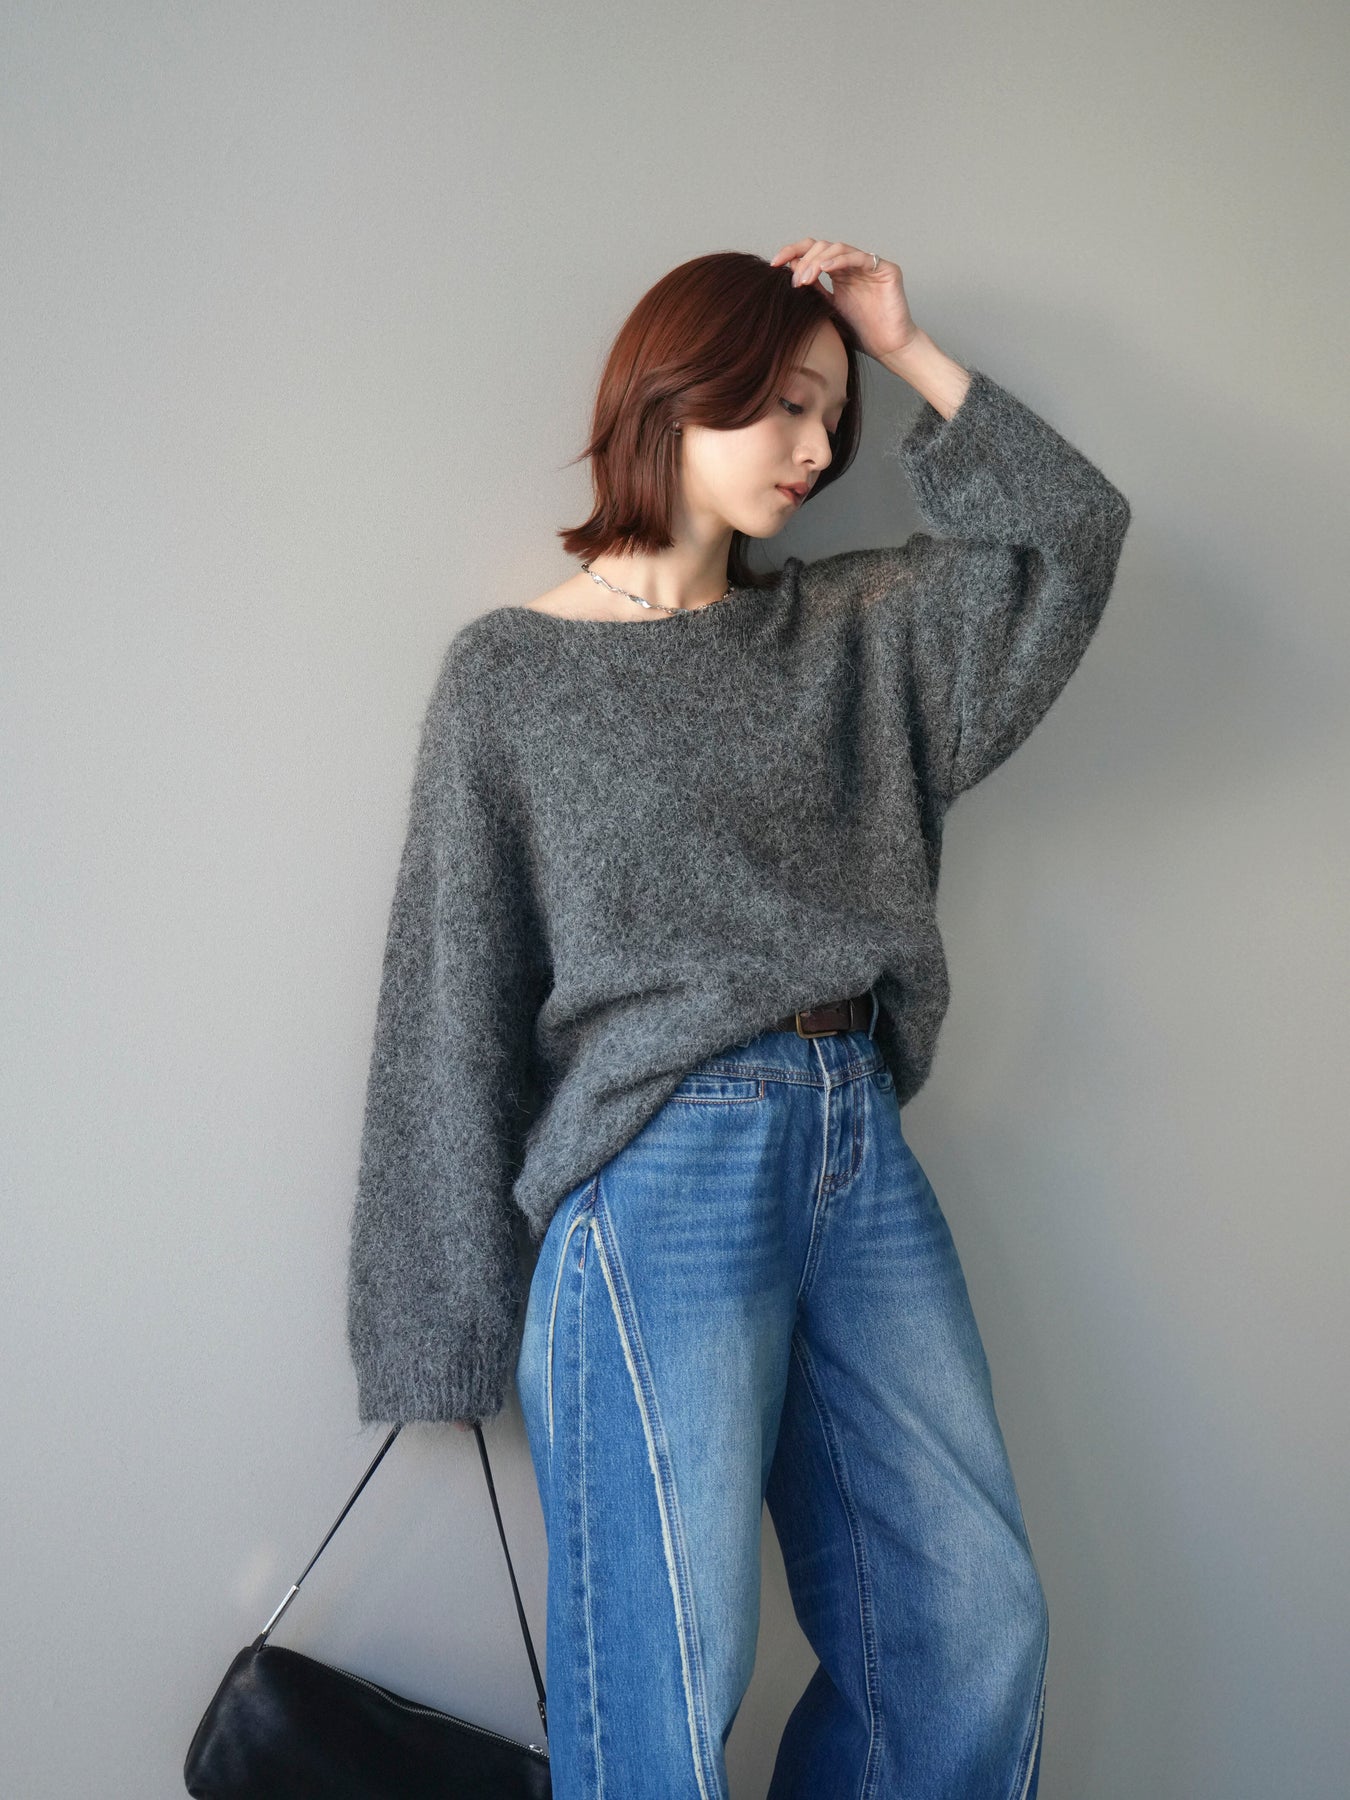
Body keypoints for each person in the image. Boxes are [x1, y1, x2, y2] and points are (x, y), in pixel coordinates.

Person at [346, 241, 1132, 1799]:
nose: (816, 447)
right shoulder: (511, 676)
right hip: (660, 1170)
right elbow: (449, 996)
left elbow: (1072, 535)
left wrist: (901, 344)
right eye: (782, 404)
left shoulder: (855, 634)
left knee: (970, 1628)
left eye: (832, 414)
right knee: (667, 1676)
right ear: (671, 391)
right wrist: (433, 1326)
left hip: (857, 1142)